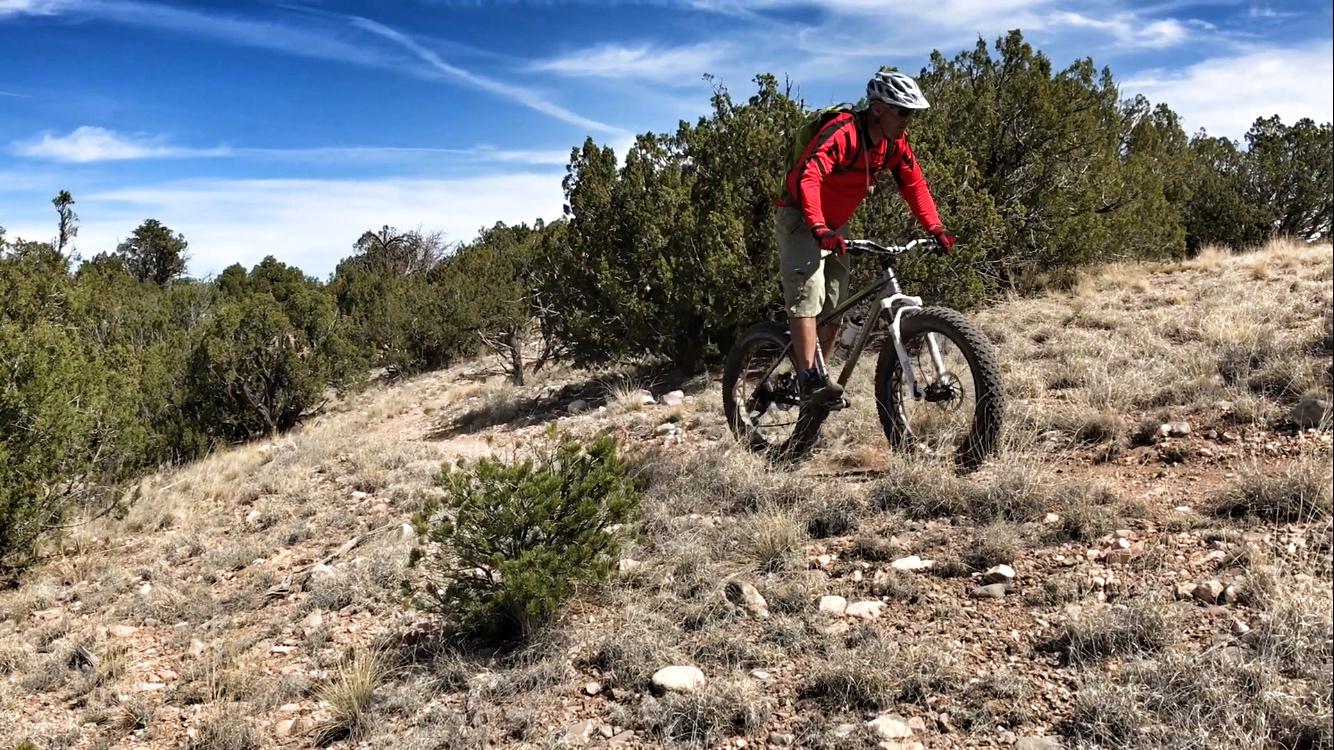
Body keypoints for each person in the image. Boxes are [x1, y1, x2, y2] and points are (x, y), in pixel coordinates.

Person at [775, 70, 956, 406]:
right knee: (807, 297)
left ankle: (819, 378)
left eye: (911, 113)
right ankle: (809, 380)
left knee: (833, 308)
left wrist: (936, 228)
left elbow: (914, 184)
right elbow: (809, 176)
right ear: (878, 109)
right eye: (902, 112)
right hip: (801, 218)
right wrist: (818, 227)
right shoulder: (844, 133)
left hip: (833, 225)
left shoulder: (893, 144)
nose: (907, 120)